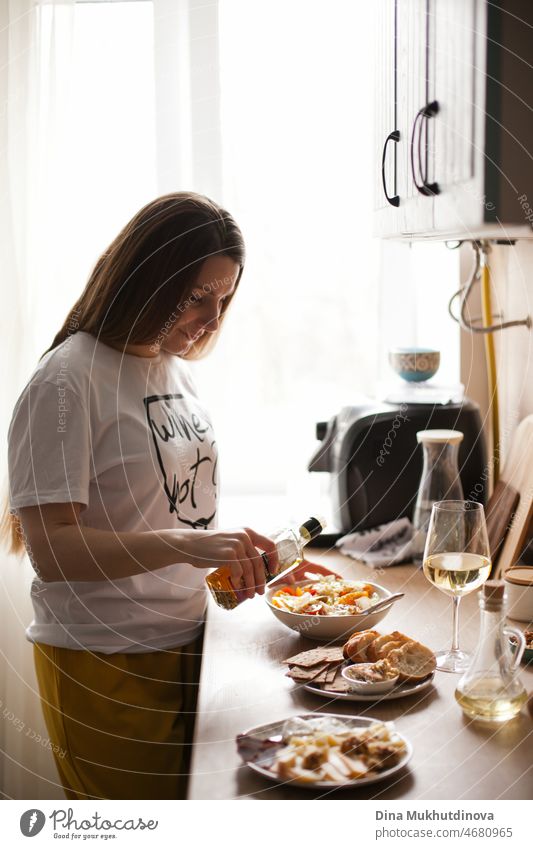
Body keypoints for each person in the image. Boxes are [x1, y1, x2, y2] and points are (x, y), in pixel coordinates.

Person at [4, 192, 331, 800]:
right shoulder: (66, 383)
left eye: (224, 299)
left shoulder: (173, 370)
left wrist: (235, 551)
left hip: (190, 642)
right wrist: (190, 544)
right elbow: (53, 553)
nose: (212, 318)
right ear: (145, 280)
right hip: (107, 661)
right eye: (197, 298)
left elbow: (164, 507)